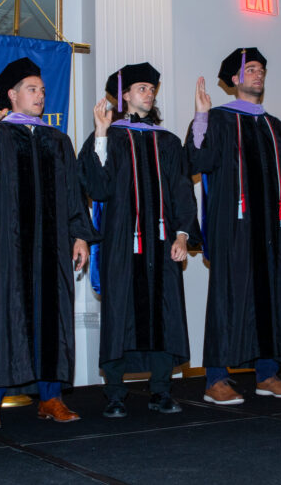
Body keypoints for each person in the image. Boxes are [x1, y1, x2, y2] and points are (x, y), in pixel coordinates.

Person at [0, 57, 99, 429]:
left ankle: (50, 397)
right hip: (5, 247)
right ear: (12, 94)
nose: (40, 96)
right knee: (0, 316)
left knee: (51, 317)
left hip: (51, 248)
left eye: (42, 90)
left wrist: (81, 235)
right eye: (32, 89)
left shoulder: (57, 139)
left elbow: (73, 194)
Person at [186, 47, 281, 405]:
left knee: (273, 296)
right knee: (228, 297)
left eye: (261, 69)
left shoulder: (275, 126)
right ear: (235, 79)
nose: (258, 75)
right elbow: (196, 161)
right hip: (232, 229)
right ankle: (216, 379)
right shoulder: (219, 120)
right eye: (250, 69)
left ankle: (267, 374)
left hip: (273, 229)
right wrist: (201, 117)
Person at [79, 63, 195, 417]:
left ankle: (161, 390)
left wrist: (182, 233)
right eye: (141, 88)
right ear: (124, 94)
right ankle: (115, 392)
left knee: (164, 312)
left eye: (151, 88)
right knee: (119, 314)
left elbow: (181, 190)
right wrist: (100, 134)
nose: (149, 93)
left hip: (161, 245)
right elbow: (95, 187)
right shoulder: (109, 136)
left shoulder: (169, 141)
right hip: (121, 245)